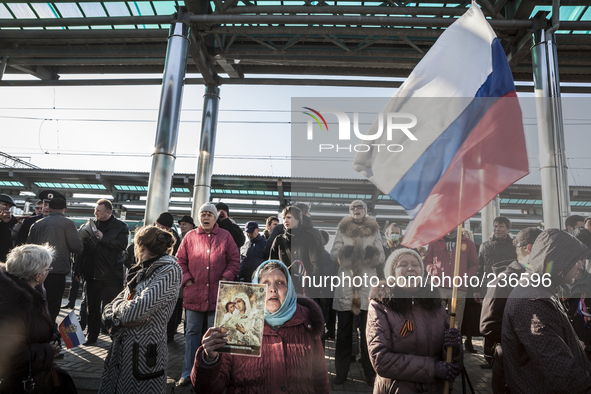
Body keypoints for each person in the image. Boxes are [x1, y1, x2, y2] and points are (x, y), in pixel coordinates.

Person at [192, 260, 329, 393]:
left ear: (290, 290)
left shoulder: (307, 323)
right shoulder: (233, 326)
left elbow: (320, 380)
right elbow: (209, 389)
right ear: (255, 289)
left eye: (281, 283)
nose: (273, 289)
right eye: (265, 283)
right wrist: (209, 360)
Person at [503, 228, 591, 393]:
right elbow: (559, 371)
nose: (581, 267)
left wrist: (570, 345)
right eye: (576, 260)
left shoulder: (539, 289)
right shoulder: (533, 301)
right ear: (558, 259)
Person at [99, 226, 182, 393]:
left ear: (141, 247)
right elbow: (109, 307)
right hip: (122, 352)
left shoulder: (169, 270)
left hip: (145, 355)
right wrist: (117, 316)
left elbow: (133, 312)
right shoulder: (142, 271)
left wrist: (115, 314)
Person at [367, 249, 462, 393]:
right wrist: (433, 368)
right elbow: (381, 360)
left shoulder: (435, 304)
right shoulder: (380, 305)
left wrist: (454, 348)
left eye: (415, 264)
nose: (410, 268)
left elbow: (451, 360)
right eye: (403, 264)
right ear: (393, 273)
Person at [176, 202, 240, 387]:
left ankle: (217, 373)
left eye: (209, 215)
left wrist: (225, 278)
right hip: (194, 294)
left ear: (215, 218)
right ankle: (187, 373)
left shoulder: (226, 236)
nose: (206, 217)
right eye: (203, 214)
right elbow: (180, 261)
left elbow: (235, 261)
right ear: (199, 217)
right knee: (191, 334)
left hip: (219, 296)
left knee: (216, 337)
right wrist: (187, 279)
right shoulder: (189, 237)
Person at [480, 227, 542, 394]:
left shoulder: (539, 278)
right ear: (531, 248)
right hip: (510, 366)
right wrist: (526, 337)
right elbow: (488, 325)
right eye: (545, 247)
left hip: (532, 365)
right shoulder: (503, 281)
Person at [331, 200, 384, 386]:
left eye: (360, 207)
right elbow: (333, 253)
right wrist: (344, 252)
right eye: (353, 207)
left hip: (367, 286)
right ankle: (341, 372)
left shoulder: (374, 230)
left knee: (369, 334)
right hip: (346, 285)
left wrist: (373, 253)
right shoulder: (342, 229)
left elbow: (382, 255)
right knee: (344, 333)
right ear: (350, 211)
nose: (356, 210)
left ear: (365, 211)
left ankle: (370, 373)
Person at [0, 244, 64, 393]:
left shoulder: (30, 294)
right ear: (38, 276)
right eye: (48, 268)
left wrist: (53, 337)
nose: (49, 271)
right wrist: (47, 350)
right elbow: (11, 355)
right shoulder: (13, 303)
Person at [76, 198, 129, 346]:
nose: (95, 213)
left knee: (114, 308)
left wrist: (103, 239)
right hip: (92, 273)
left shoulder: (121, 226)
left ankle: (115, 338)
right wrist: (78, 270)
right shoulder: (88, 226)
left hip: (112, 275)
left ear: (108, 212)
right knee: (92, 307)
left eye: (98, 211)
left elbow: (122, 245)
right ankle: (91, 336)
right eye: (95, 210)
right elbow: (81, 251)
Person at [27, 197, 84, 325]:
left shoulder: (36, 224)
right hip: (57, 271)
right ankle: (49, 332)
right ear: (65, 209)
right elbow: (77, 247)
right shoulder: (68, 224)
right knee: (53, 304)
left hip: (37, 271)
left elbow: (28, 248)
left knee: (37, 302)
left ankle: (35, 332)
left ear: (49, 208)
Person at [475, 216, 516, 368]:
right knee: (488, 322)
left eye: (501, 226)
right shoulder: (485, 246)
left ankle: (506, 355)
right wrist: (477, 289)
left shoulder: (514, 246)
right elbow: (479, 269)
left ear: (508, 229)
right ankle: (488, 357)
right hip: (488, 289)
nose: (497, 229)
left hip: (508, 290)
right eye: (496, 226)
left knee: (506, 322)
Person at [424, 228, 478, 331]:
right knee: (437, 318)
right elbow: (427, 261)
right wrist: (433, 271)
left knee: (456, 321)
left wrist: (465, 278)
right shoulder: (434, 242)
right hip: (439, 286)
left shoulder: (468, 243)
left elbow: (474, 264)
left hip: (459, 288)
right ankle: (439, 343)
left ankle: (454, 344)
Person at [270, 206, 323, 298]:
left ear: (298, 219)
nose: (285, 220)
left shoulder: (308, 237)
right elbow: (272, 266)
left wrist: (314, 288)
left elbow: (316, 264)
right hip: (284, 289)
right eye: (283, 218)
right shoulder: (278, 240)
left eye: (289, 217)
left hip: (304, 288)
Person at [0, 193, 18, 262]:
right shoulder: (4, 222)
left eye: (9, 207)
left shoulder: (5, 221)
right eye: (4, 205)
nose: (7, 208)